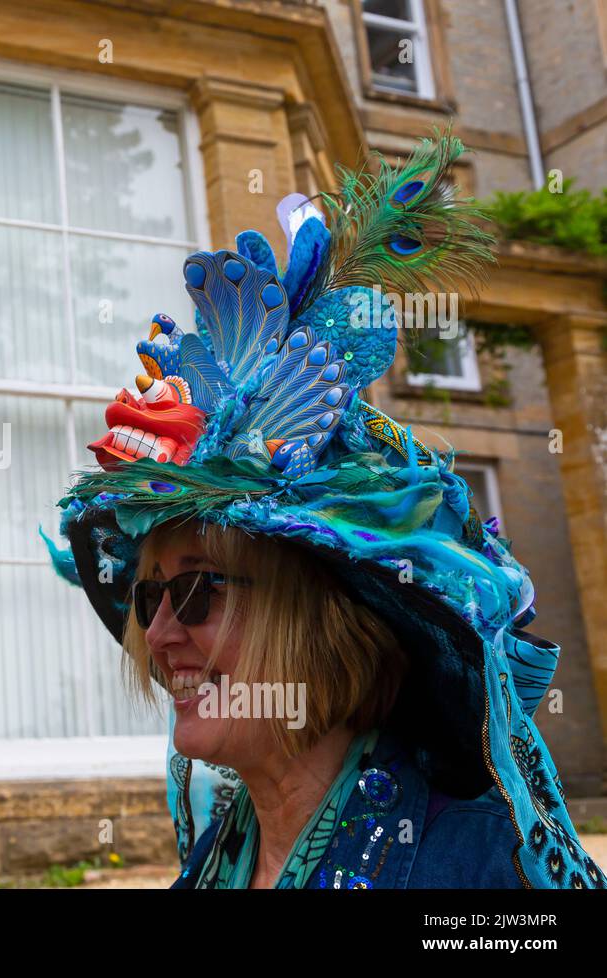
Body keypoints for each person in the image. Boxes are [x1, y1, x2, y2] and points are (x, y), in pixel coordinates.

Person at [44, 133, 604, 889]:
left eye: (199, 588)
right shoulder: (220, 856)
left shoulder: (480, 871)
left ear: (328, 621)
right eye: (148, 595)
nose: (160, 633)